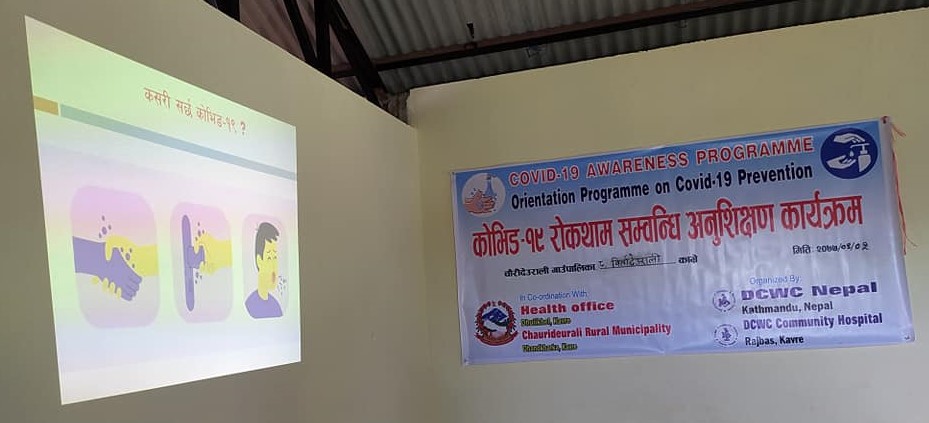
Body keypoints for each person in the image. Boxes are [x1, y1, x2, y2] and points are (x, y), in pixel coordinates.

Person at [245, 222, 283, 318]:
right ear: (259, 261)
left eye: (275, 257)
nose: (274, 267)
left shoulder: (276, 307)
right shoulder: (249, 305)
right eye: (269, 258)